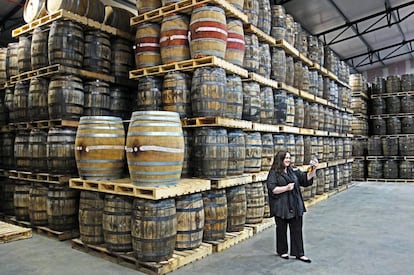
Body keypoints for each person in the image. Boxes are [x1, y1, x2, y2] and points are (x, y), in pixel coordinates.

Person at [266, 150, 318, 263]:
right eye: (286, 158)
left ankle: (299, 253)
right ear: (280, 159)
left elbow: (305, 179)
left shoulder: (293, 170)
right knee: (281, 229)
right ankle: (282, 251)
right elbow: (272, 189)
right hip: (281, 206)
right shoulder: (274, 173)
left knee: (297, 229)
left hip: (295, 203)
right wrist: (286, 188)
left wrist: (314, 169)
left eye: (289, 158)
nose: (288, 160)